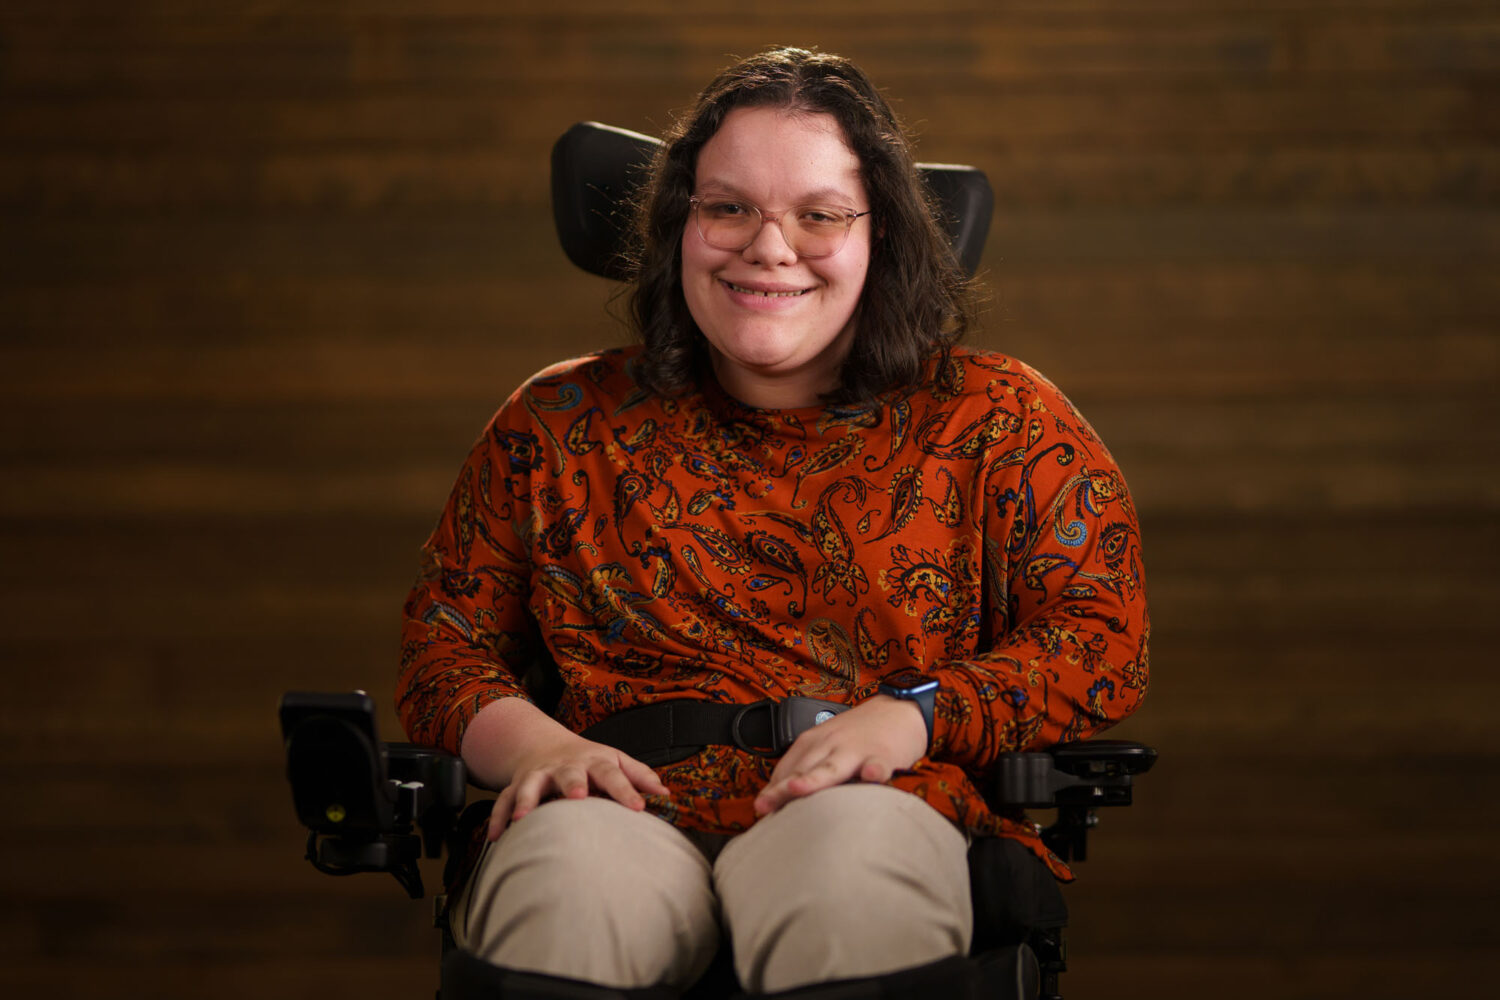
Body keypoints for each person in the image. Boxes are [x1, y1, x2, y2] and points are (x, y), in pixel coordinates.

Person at [397, 46, 1149, 999]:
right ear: (682, 226)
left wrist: (913, 718)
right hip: (613, 794)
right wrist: (543, 751)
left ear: (885, 236)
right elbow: (441, 646)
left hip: (872, 796)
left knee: (849, 887)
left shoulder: (999, 419)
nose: (769, 246)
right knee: (563, 892)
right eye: (728, 208)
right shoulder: (558, 422)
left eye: (819, 214)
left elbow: (1100, 638)